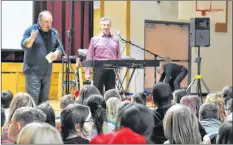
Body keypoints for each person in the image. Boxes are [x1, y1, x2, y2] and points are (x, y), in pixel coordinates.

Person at [20, 10, 62, 105]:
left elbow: (60, 47)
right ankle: (32, 119)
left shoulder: (54, 32)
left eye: (50, 22)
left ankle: (42, 119)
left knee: (44, 100)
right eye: (46, 22)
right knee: (33, 99)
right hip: (33, 71)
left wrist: (57, 52)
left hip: (47, 72)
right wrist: (31, 39)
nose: (49, 24)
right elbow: (23, 45)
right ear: (39, 21)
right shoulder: (30, 30)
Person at [85, 17, 120, 94]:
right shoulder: (94, 39)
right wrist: (87, 72)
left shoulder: (116, 39)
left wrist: (118, 70)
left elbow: (118, 56)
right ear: (100, 26)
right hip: (98, 69)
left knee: (110, 93)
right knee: (97, 93)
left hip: (111, 69)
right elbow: (89, 56)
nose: (106, 27)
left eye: (108, 25)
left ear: (110, 26)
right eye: (104, 25)